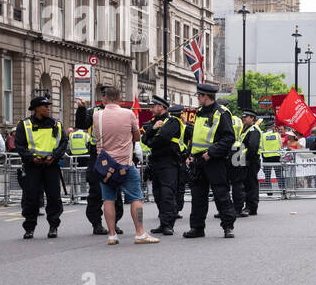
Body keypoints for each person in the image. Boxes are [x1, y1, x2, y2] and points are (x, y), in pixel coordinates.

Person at [90, 87, 158, 245]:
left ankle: (112, 235)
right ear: (120, 99)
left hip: (105, 166)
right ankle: (140, 233)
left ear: (104, 99)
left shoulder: (97, 116)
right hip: (125, 164)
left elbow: (97, 136)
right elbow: (136, 137)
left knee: (108, 199)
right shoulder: (128, 114)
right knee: (136, 198)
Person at [182, 82, 237, 240]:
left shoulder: (222, 113)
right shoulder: (199, 112)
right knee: (198, 196)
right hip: (198, 160)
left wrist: (211, 153)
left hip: (214, 160)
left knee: (221, 194)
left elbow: (229, 138)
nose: (197, 98)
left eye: (199, 96)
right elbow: (196, 136)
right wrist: (190, 154)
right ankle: (197, 228)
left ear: (205, 96)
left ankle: (228, 227)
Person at [15, 95, 68, 239]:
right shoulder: (24, 124)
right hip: (32, 166)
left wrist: (54, 156)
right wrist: (32, 158)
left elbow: (63, 142)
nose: (48, 109)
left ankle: (53, 227)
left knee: (54, 197)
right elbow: (19, 145)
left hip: (51, 165)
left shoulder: (56, 124)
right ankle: (29, 228)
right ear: (37, 108)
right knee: (30, 198)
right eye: (45, 106)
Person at [141, 97, 185, 234]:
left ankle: (168, 224)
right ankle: (163, 222)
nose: (151, 109)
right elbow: (144, 139)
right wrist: (153, 130)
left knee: (167, 194)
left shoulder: (172, 121)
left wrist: (151, 139)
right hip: (156, 162)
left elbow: (163, 138)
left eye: (153, 106)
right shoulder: (153, 123)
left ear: (161, 107)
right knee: (158, 193)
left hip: (169, 162)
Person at [75, 97, 114, 236]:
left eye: (108, 96)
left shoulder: (121, 113)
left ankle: (114, 224)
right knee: (96, 192)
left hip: (114, 155)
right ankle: (96, 223)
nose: (105, 99)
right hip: (96, 156)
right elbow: (81, 123)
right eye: (104, 96)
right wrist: (81, 109)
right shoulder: (93, 112)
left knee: (115, 190)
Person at [237, 109, 262, 214]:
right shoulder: (246, 129)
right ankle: (248, 206)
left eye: (246, 117)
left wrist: (246, 158)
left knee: (251, 185)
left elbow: (252, 147)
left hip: (251, 161)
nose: (243, 118)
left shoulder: (253, 130)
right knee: (247, 184)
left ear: (252, 118)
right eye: (243, 117)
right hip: (246, 161)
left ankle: (251, 208)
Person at [260, 121, 283, 198]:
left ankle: (269, 192)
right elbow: (281, 145)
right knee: (279, 175)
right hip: (276, 157)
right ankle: (282, 190)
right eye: (274, 126)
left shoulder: (263, 135)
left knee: (267, 175)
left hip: (266, 157)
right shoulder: (277, 135)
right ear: (272, 127)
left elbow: (261, 146)